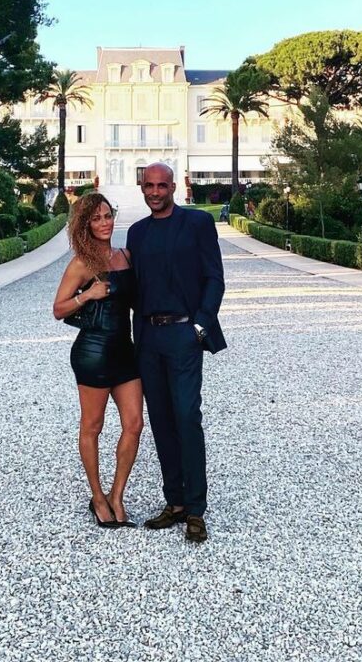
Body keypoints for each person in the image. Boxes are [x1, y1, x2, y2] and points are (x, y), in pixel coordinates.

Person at [126, 163, 226, 544]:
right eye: (148, 185)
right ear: (142, 188)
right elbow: (132, 288)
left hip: (185, 334)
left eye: (161, 185)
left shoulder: (198, 224)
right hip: (149, 338)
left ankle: (196, 509)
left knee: (187, 416)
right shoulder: (137, 233)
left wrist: (199, 326)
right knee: (162, 421)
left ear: (174, 187)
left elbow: (214, 277)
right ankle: (175, 502)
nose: (154, 191)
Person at [52, 193, 144, 529]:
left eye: (107, 216)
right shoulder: (81, 263)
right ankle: (97, 496)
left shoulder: (125, 256)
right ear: (85, 224)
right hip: (92, 351)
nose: (104, 223)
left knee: (134, 425)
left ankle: (117, 494)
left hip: (125, 349)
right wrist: (87, 294)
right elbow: (58, 309)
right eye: (96, 218)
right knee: (93, 426)